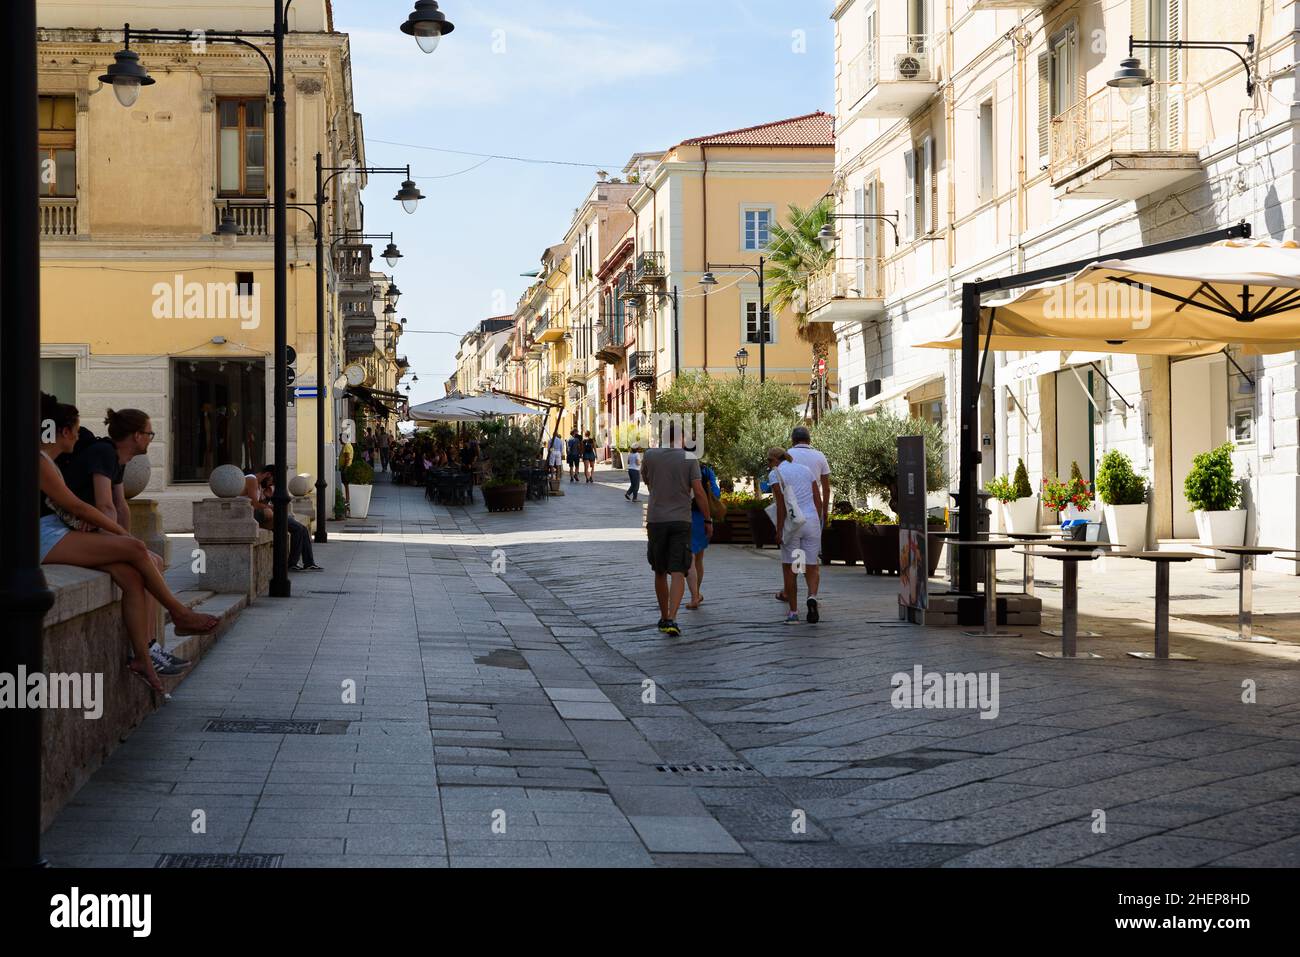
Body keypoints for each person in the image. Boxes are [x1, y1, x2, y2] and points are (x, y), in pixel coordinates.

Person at [39, 395, 219, 694]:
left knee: (133, 577)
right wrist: (125, 539)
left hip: (56, 532)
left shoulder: (52, 462)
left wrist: (118, 537)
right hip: (44, 538)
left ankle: (143, 659)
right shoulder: (42, 461)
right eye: (77, 429)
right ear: (65, 431)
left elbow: (108, 506)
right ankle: (178, 612)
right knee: (137, 550)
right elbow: (82, 507)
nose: (80, 437)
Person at [59, 407, 191, 677]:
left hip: (90, 530)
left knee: (143, 567)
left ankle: (148, 648)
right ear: (135, 436)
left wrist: (125, 545)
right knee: (149, 559)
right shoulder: (104, 452)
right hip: (73, 528)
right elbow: (105, 505)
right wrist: (124, 545)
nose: (151, 438)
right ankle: (176, 617)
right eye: (149, 433)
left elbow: (122, 506)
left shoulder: (118, 458)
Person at [640, 432, 713, 638]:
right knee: (679, 569)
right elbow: (699, 492)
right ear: (681, 440)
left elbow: (648, 481)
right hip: (681, 519)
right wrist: (708, 519)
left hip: (656, 519)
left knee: (660, 570)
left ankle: (663, 616)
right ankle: (672, 617)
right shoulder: (690, 459)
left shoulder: (650, 456)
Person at [767, 447, 824, 625]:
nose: (769, 465)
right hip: (811, 522)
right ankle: (812, 597)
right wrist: (818, 522)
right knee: (812, 566)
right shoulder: (806, 470)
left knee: (790, 568)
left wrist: (778, 531)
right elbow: (818, 500)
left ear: (774, 460)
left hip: (793, 525)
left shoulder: (775, 474)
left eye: (769, 461)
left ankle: (793, 612)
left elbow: (781, 505)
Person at [777, 425, 833, 603]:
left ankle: (789, 593)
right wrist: (824, 512)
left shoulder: (786, 456)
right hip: (812, 513)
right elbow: (825, 488)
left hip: (791, 514)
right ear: (809, 440)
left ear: (793, 440)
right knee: (811, 558)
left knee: (791, 559)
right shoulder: (819, 456)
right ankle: (812, 595)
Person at [246, 465, 323, 572]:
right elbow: (254, 504)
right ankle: (293, 563)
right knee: (297, 528)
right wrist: (273, 507)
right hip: (250, 517)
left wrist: (268, 497)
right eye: (271, 482)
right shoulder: (251, 479)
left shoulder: (258, 485)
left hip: (263, 516)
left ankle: (308, 563)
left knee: (302, 529)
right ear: (268, 475)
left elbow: (260, 504)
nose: (270, 484)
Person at [684, 457, 721, 610]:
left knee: (691, 556)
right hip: (701, 516)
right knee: (698, 557)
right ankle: (696, 593)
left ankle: (694, 596)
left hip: (684, 514)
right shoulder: (706, 470)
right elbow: (716, 493)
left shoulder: (681, 467)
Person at [338, 432, 354, 508]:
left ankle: (347, 500)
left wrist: (344, 468)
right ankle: (347, 500)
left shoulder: (347, 446)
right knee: (346, 484)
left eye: (340, 438)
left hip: (346, 468)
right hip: (346, 467)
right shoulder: (347, 445)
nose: (339, 439)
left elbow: (347, 458)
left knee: (346, 484)